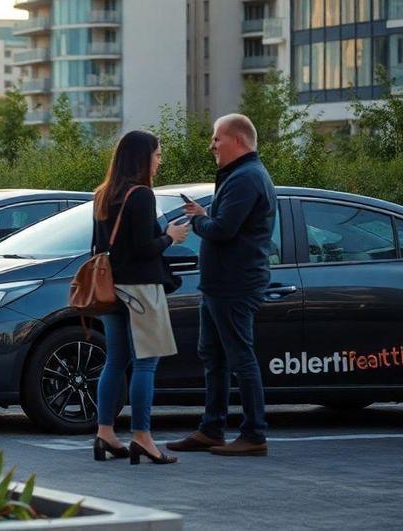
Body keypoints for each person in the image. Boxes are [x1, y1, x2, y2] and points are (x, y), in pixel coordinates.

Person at [168, 114, 277, 458]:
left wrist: (200, 219)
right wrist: (204, 214)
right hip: (219, 285)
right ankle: (211, 428)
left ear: (239, 141)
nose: (212, 145)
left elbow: (223, 230)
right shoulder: (240, 176)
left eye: (217, 138)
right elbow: (223, 223)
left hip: (234, 285)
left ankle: (254, 433)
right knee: (213, 356)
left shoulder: (247, 178)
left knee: (240, 357)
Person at [91, 131, 190, 466]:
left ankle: (105, 432)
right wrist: (170, 237)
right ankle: (142, 437)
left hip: (110, 289)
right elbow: (142, 249)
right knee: (146, 362)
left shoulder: (103, 195)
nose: (160, 161)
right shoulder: (143, 196)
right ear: (142, 158)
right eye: (157, 155)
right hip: (142, 289)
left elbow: (99, 248)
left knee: (115, 361)